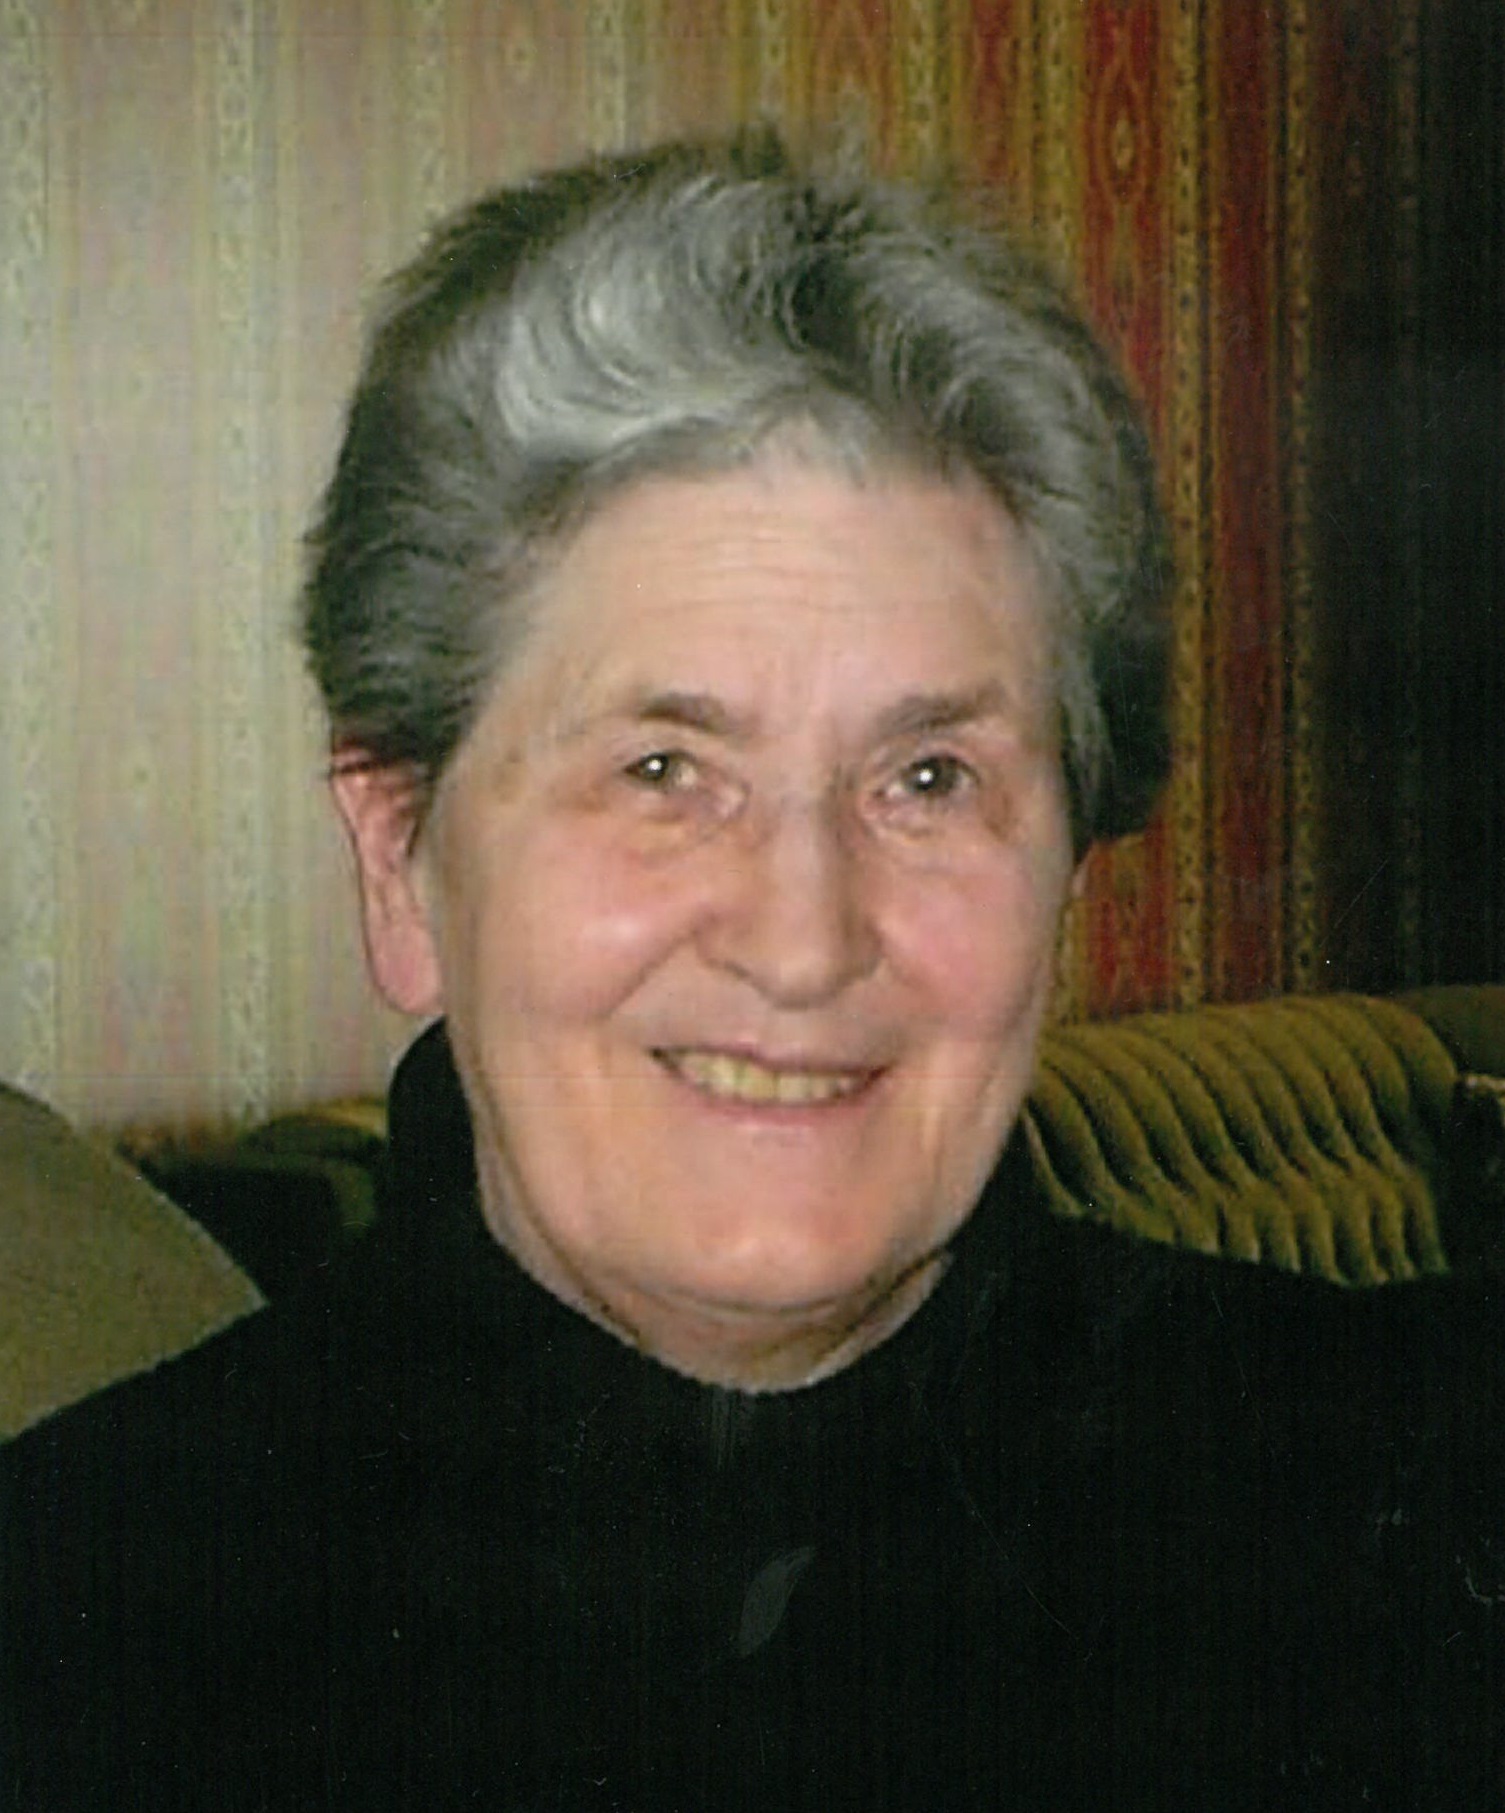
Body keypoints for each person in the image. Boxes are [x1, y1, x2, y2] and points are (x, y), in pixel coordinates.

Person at [2, 132, 1499, 1811]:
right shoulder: (76, 1617)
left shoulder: (1413, 1505)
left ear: (1067, 870)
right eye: (662, 770)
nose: (802, 940)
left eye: (927, 778)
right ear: (401, 859)